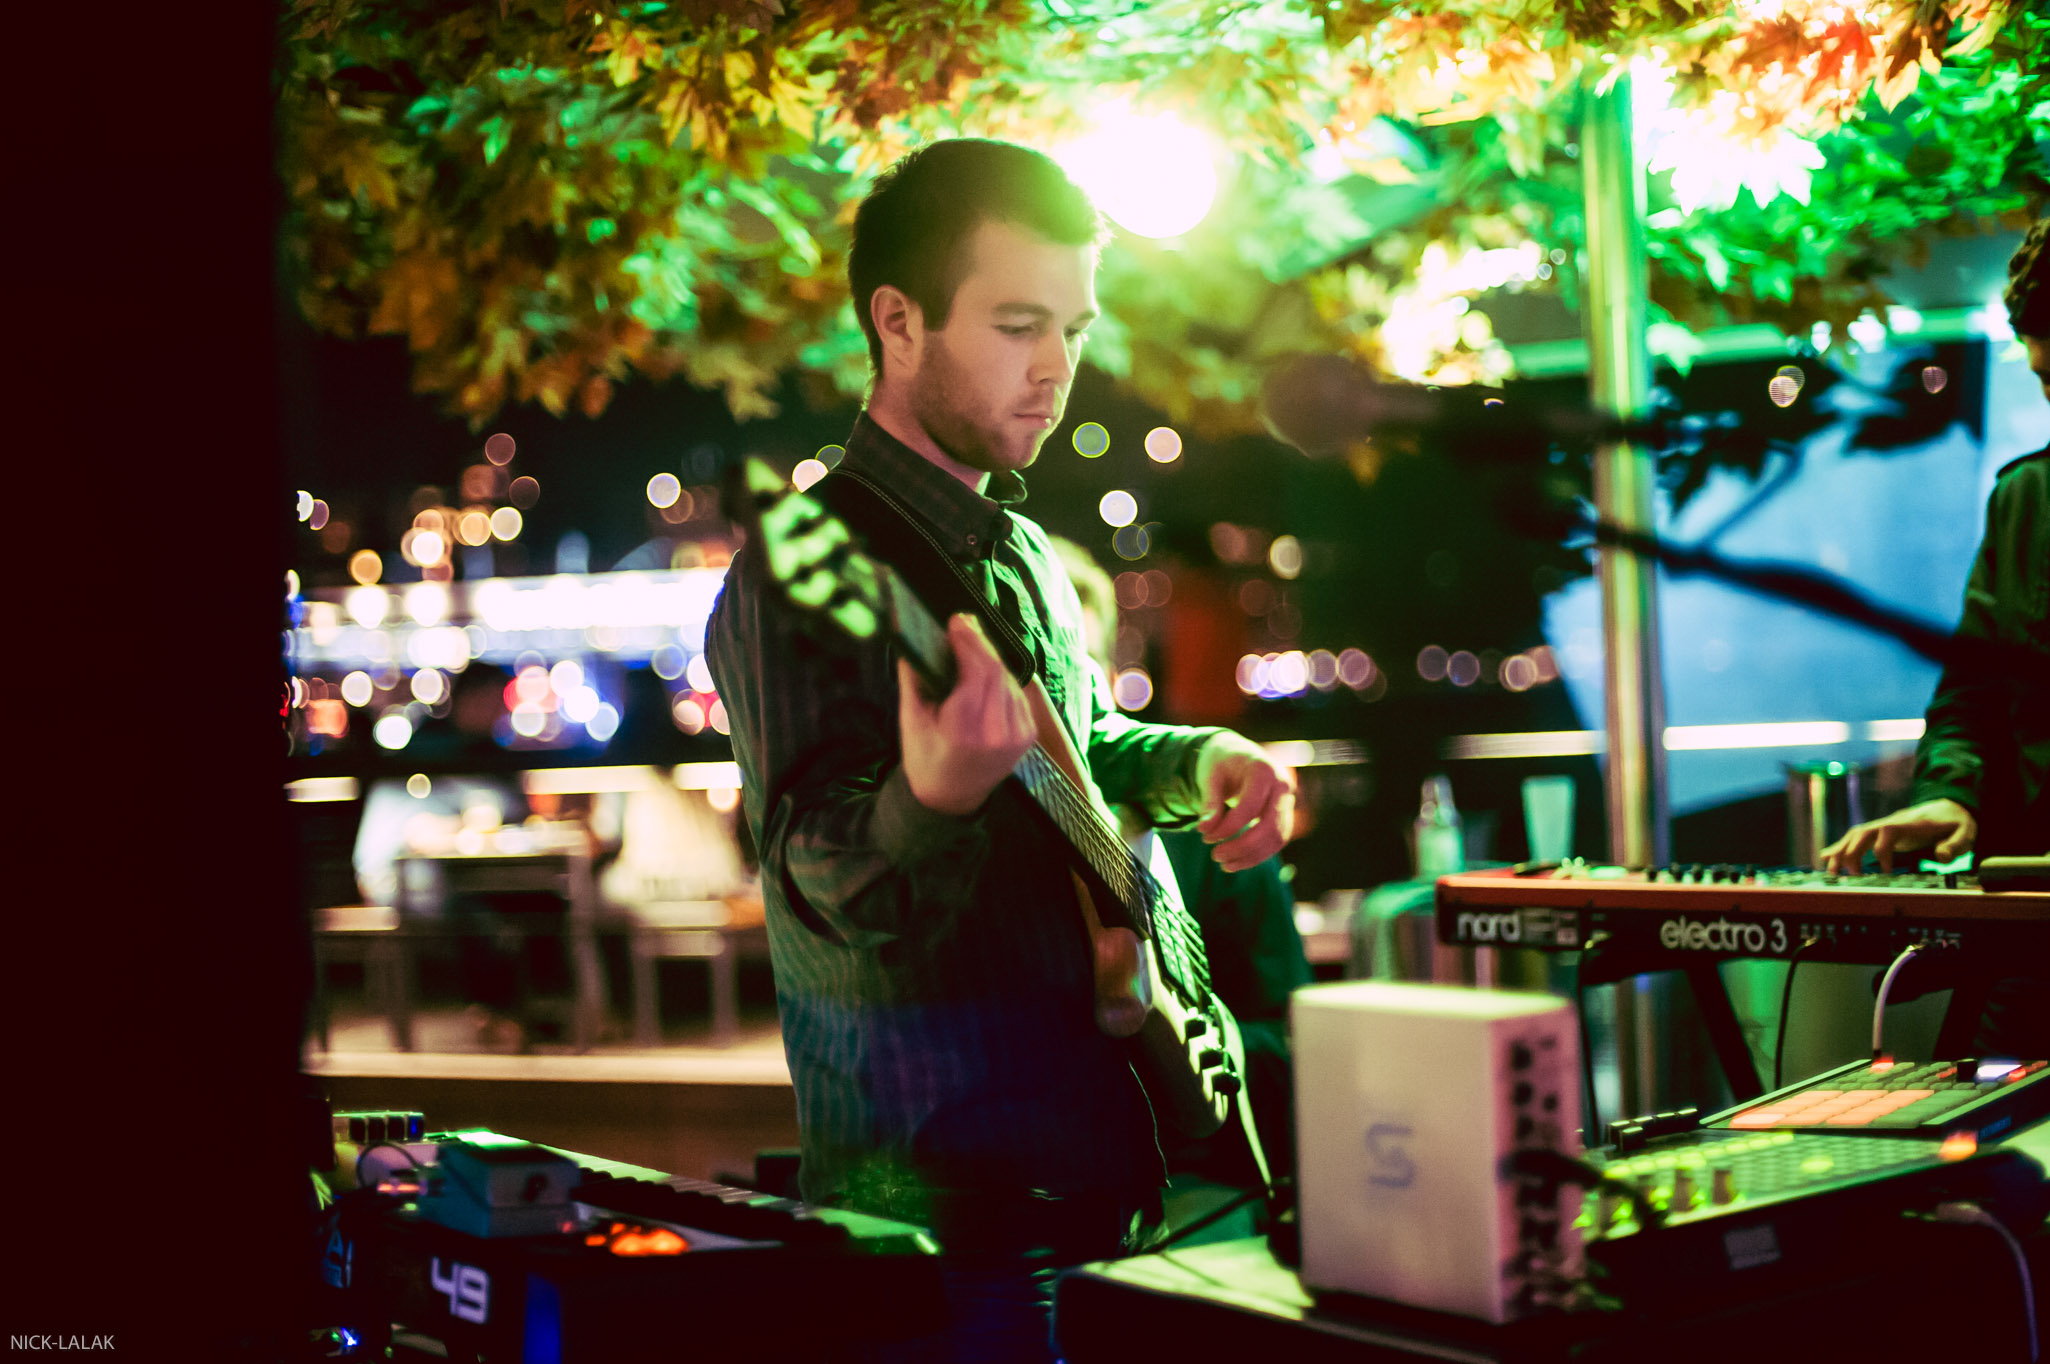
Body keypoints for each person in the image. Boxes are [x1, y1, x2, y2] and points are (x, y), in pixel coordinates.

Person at [705, 137, 1294, 1362]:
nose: (1056, 368)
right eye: (1018, 324)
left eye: (1072, 329)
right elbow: (813, 878)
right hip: (944, 1210)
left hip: (1107, 1169)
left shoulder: (1020, 551)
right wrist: (929, 795)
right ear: (898, 321)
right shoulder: (795, 570)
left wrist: (1203, 761)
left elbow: (1081, 752)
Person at [1821, 219, 2048, 1054]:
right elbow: (1973, 697)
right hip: (2034, 938)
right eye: (2048, 381)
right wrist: (1954, 795)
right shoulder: (2026, 500)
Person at [1049, 534, 1310, 1198]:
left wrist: (1189, 1049)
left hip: (1195, 1189)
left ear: (1106, 683)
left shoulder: (1209, 830)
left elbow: (1292, 1041)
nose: (1051, 708)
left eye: (1073, 675)